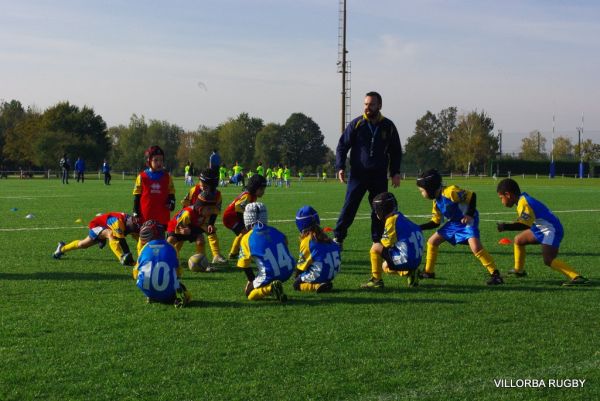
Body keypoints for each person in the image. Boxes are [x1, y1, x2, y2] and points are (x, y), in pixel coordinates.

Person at [416, 169, 504, 285]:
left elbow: (472, 196)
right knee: (432, 242)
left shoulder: (450, 192)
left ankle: (496, 275)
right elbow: (435, 222)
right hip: (454, 223)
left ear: (431, 188)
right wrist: (418, 227)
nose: (421, 193)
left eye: (422, 191)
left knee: (476, 247)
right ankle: (428, 272)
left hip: (467, 221)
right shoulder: (436, 202)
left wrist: (469, 214)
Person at [496, 178, 589, 286]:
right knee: (518, 240)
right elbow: (527, 219)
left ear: (508, 194)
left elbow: (525, 225)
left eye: (501, 198)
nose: (501, 201)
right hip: (540, 229)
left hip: (551, 230)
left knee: (548, 259)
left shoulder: (524, 203)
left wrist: (505, 227)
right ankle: (518, 270)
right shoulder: (522, 200)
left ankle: (576, 277)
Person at [361, 192, 423, 289]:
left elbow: (385, 244)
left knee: (375, 247)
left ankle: (376, 280)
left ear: (381, 210)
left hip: (406, 259)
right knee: (385, 266)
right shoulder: (400, 216)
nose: (376, 213)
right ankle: (410, 272)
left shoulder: (391, 220)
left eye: (376, 210)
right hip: (416, 259)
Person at [237, 202, 295, 302]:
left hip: (271, 274)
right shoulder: (275, 230)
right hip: (289, 270)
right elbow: (285, 242)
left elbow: (244, 265)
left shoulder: (247, 238)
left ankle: (270, 289)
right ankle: (273, 286)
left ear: (246, 218)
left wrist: (252, 281)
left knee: (249, 293)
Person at [134, 219, 191, 307]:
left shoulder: (144, 248)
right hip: (167, 291)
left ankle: (151, 295)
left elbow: (135, 273)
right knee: (177, 279)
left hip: (146, 288)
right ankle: (173, 296)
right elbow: (178, 272)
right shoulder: (171, 247)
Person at [53, 212, 140, 266]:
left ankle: (61, 249)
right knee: (110, 234)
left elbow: (140, 242)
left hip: (107, 226)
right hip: (97, 225)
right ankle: (121, 258)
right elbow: (122, 242)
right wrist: (130, 260)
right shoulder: (117, 223)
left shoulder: (133, 224)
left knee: (83, 244)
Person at [132, 145, 176, 253]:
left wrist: (172, 202)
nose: (159, 163)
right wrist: (135, 212)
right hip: (146, 214)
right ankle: (141, 258)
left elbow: (171, 192)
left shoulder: (167, 177)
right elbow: (137, 195)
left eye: (161, 160)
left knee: (160, 237)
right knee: (144, 237)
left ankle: (160, 256)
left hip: (162, 213)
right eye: (155, 160)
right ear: (148, 161)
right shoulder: (142, 177)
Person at [180, 168, 227, 265]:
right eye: (200, 182)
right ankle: (173, 255)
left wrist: (211, 224)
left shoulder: (217, 195)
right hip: (190, 219)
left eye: (202, 183)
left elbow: (214, 211)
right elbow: (185, 205)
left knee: (211, 232)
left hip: (204, 220)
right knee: (180, 237)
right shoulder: (194, 190)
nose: (200, 184)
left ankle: (216, 255)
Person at [167, 192, 219, 272]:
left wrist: (209, 228)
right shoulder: (187, 214)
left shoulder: (204, 214)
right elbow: (179, 225)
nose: (211, 211)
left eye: (212, 209)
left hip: (191, 227)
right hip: (176, 227)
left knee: (200, 240)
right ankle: (165, 260)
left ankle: (203, 262)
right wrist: (183, 231)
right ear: (201, 208)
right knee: (170, 241)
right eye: (209, 209)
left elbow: (202, 225)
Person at [293, 206, 341, 293]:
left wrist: (297, 277)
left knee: (296, 284)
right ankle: (324, 282)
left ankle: (317, 285)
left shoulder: (307, 241)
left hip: (320, 274)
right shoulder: (327, 237)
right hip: (332, 274)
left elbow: (301, 267)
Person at [222, 175, 267, 259]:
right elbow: (238, 207)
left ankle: (234, 253)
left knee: (244, 233)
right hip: (230, 218)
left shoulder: (252, 195)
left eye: (263, 189)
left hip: (234, 217)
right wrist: (243, 223)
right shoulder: (247, 195)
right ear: (254, 188)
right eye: (261, 189)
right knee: (245, 232)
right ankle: (241, 252)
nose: (263, 192)